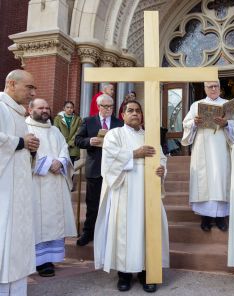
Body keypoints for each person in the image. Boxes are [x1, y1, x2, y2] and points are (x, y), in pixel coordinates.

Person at [94, 100, 169, 293]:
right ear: (123, 115)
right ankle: (124, 275)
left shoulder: (150, 136)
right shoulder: (114, 134)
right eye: (130, 110)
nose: (135, 113)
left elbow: (161, 158)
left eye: (138, 111)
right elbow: (109, 159)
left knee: (148, 230)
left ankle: (147, 273)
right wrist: (135, 153)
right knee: (124, 232)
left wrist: (162, 170)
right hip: (125, 191)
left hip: (148, 193)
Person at [182, 81, 234, 232]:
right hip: (202, 148)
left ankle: (221, 217)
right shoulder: (196, 105)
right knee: (205, 181)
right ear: (205, 89)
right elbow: (186, 124)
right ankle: (205, 217)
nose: (213, 89)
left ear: (220, 88)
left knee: (220, 179)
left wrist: (226, 124)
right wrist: (194, 122)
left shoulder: (228, 104)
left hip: (222, 147)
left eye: (216, 86)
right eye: (210, 86)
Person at [26, 98, 77, 277]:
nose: (45, 110)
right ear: (30, 109)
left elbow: (64, 149)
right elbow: (24, 154)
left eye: (47, 107)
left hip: (55, 182)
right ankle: (35, 261)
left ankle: (48, 259)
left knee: (53, 220)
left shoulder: (55, 130)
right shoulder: (25, 128)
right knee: (36, 220)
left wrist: (61, 162)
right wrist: (48, 163)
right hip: (34, 184)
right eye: (41, 107)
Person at [0, 69, 39, 295]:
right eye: (29, 87)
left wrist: (30, 149)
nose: (33, 93)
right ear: (12, 84)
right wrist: (20, 143)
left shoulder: (19, 114)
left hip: (19, 194)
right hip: (4, 194)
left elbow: (21, 147)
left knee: (17, 244)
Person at [75, 94, 123, 246]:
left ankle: (111, 234)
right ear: (99, 106)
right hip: (95, 167)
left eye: (111, 106)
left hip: (115, 169)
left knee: (114, 203)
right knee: (93, 203)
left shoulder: (119, 123)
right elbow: (77, 140)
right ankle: (88, 232)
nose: (109, 109)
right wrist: (90, 141)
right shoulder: (88, 121)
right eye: (105, 106)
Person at [54, 101, 82, 165]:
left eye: (71, 108)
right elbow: (56, 131)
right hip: (61, 146)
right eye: (67, 107)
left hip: (73, 147)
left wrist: (70, 143)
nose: (69, 109)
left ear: (73, 109)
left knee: (70, 167)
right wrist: (63, 143)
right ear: (64, 108)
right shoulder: (58, 118)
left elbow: (78, 132)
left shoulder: (78, 119)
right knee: (61, 167)